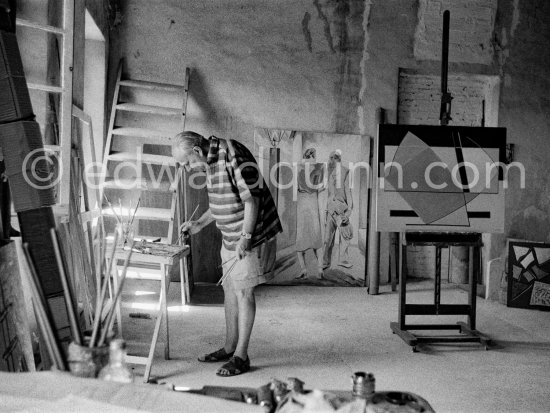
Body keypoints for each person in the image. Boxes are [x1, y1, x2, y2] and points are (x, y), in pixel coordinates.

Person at [173, 131, 282, 377]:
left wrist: (246, 238)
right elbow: (221, 202)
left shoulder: (232, 153)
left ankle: (241, 356)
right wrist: (199, 223)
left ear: (198, 152)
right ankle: (229, 347)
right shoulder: (209, 164)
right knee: (230, 291)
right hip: (230, 236)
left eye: (188, 162)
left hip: (250, 235)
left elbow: (251, 200)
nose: (188, 168)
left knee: (244, 292)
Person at [295, 148, 324, 279]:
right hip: (312, 201)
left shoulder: (299, 167)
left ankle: (304, 270)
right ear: (312, 156)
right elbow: (319, 186)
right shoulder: (319, 168)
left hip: (303, 201)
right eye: (314, 155)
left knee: (301, 237)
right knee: (316, 236)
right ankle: (319, 270)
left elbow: (299, 186)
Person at [323, 150, 354, 269]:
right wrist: (326, 209)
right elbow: (327, 193)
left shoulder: (346, 172)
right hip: (331, 209)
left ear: (337, 159)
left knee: (345, 236)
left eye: (331, 158)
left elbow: (348, 192)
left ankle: (343, 260)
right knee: (327, 238)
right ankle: (325, 262)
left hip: (342, 209)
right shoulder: (328, 172)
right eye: (329, 158)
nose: (329, 160)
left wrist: (349, 211)